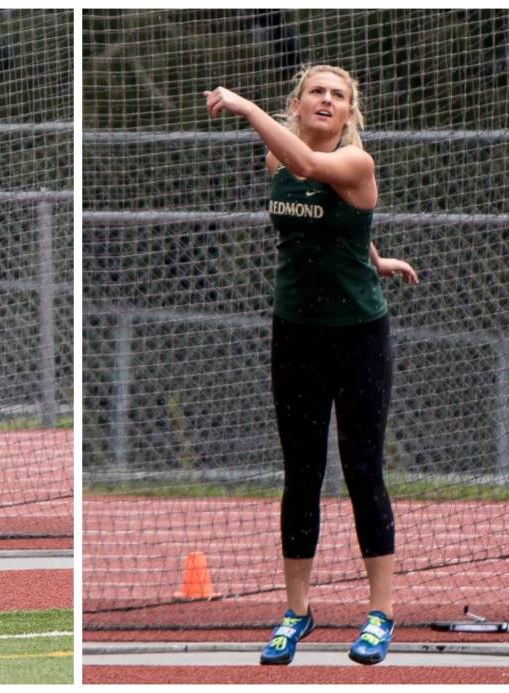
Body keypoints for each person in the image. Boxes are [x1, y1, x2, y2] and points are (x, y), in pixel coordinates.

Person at [204, 65, 419, 666]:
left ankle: (381, 614)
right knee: (301, 475)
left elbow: (317, 172)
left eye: (338, 95)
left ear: (349, 113)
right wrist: (372, 256)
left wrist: (248, 110)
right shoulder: (278, 164)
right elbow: (328, 213)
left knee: (361, 470)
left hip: (358, 338)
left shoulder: (357, 162)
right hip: (295, 334)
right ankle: (297, 612)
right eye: (316, 92)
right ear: (297, 105)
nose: (327, 100)